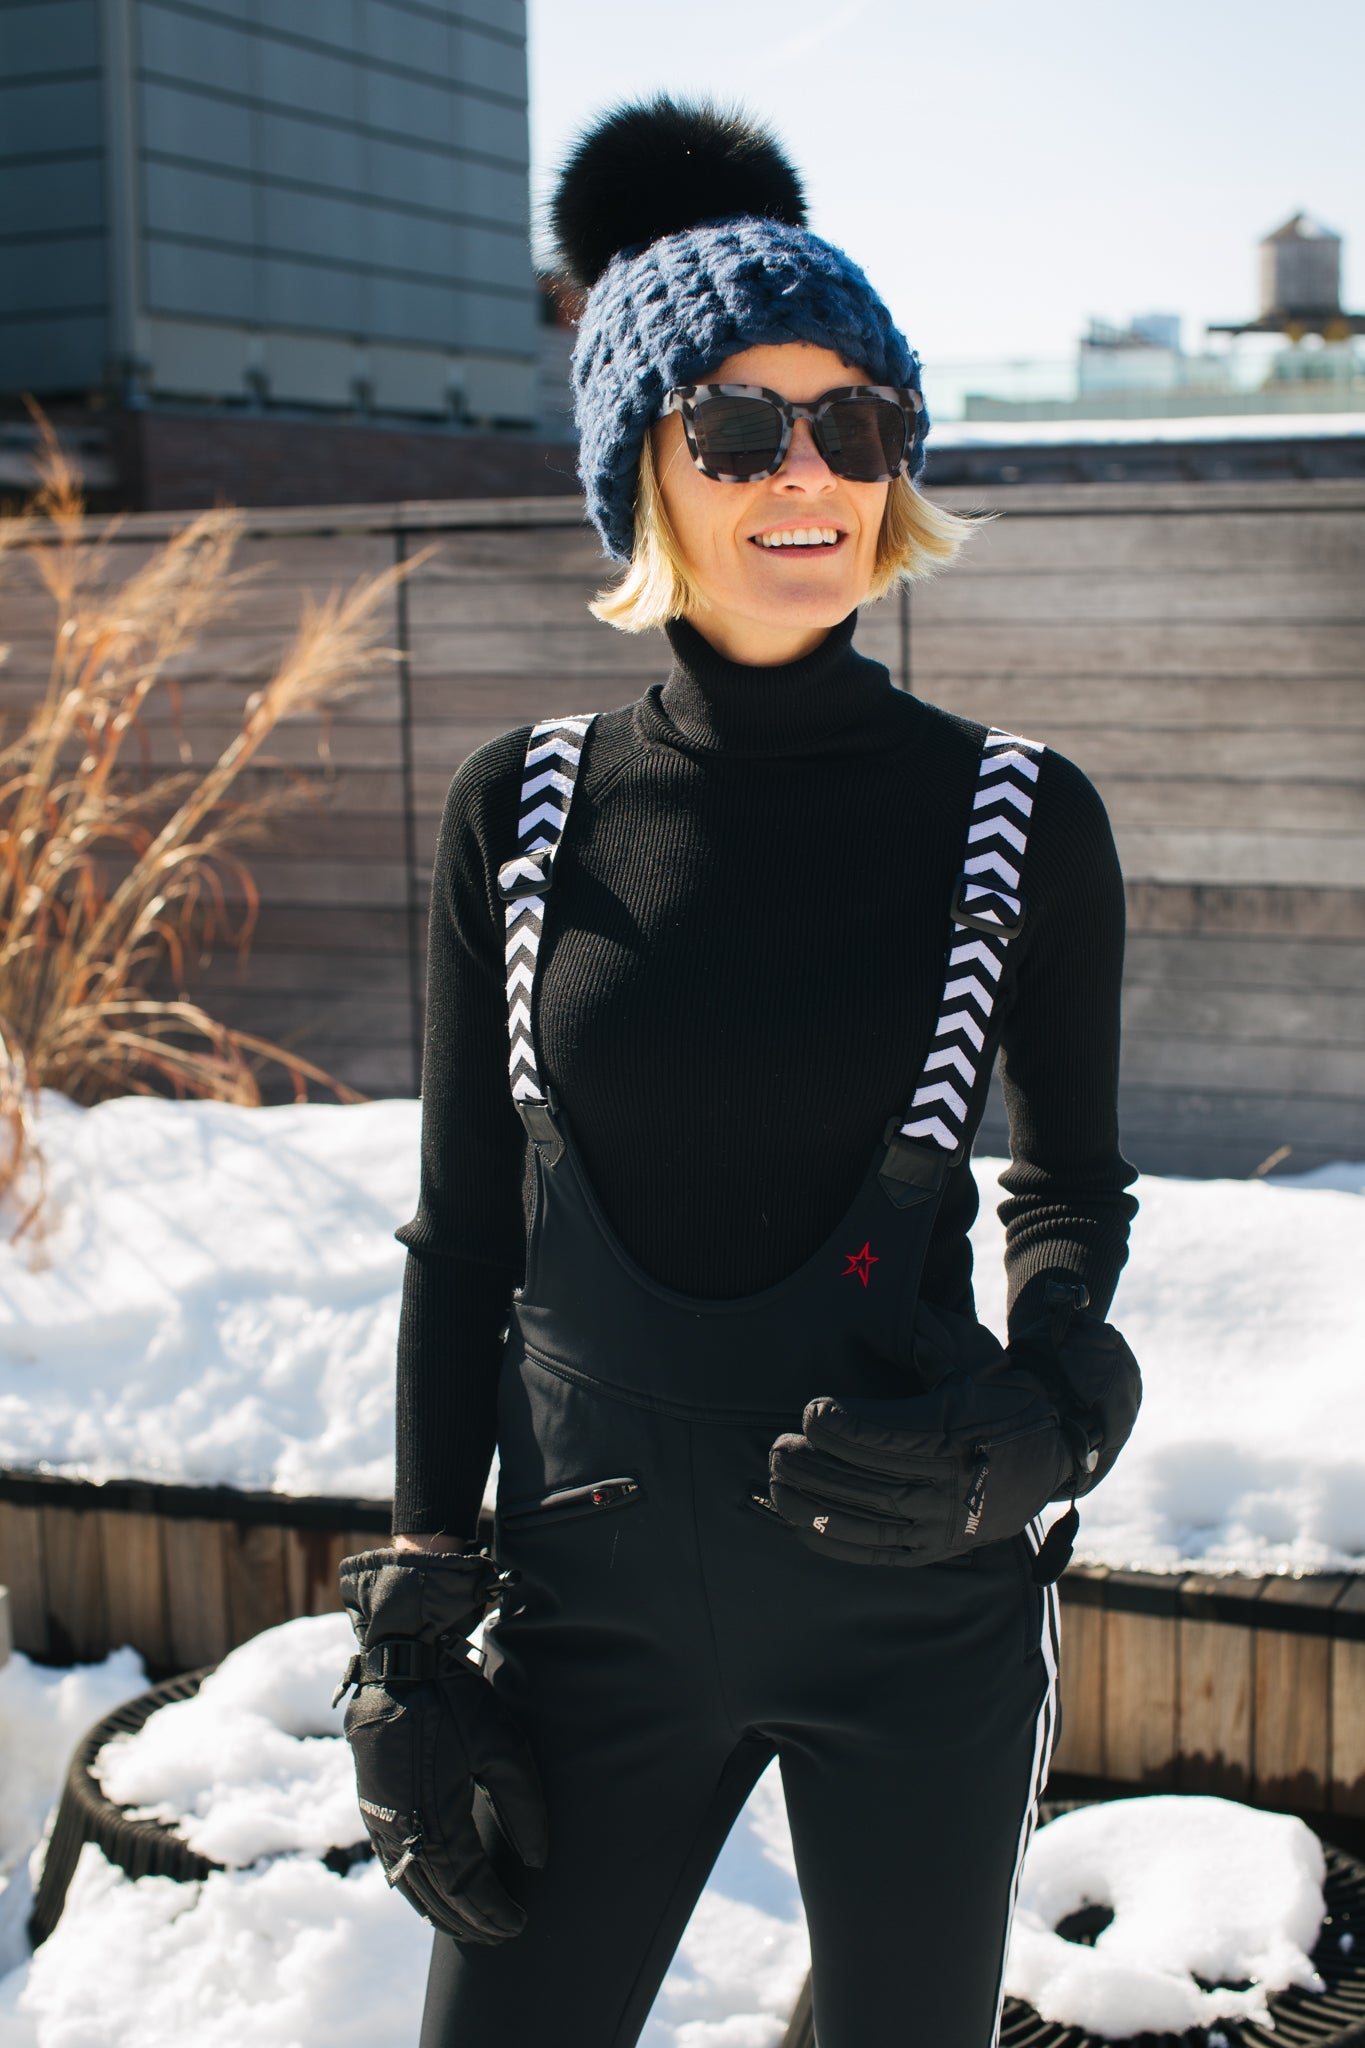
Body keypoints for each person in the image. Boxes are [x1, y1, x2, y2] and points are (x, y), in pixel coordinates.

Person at [332, 98, 1142, 2048]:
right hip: (591, 1614)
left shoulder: (1019, 819)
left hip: (919, 1606)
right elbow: (463, 1239)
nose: (806, 475)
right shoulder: (516, 815)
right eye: (736, 428)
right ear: (640, 469)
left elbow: (1064, 1193)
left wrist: (1044, 1412)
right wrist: (414, 1616)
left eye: (852, 422)